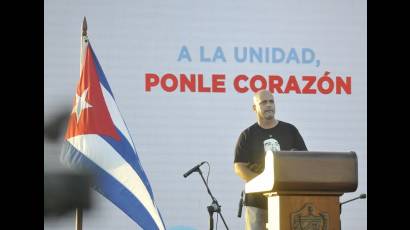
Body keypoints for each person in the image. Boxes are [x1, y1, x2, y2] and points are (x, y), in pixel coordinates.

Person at [234, 89, 307, 230]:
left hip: (286, 199)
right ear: (254, 108)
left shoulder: (290, 130)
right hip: (257, 202)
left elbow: (303, 160)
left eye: (271, 101)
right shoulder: (247, 135)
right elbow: (239, 167)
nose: (268, 105)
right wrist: (264, 183)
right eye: (263, 102)